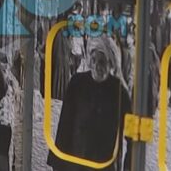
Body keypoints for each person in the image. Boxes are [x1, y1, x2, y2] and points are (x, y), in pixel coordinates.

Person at [48, 36, 131, 171]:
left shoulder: (119, 92)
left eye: (102, 62)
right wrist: (58, 163)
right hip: (77, 161)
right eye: (94, 60)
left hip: (105, 164)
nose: (97, 66)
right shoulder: (77, 83)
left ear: (110, 64)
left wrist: (129, 166)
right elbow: (65, 125)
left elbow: (131, 136)